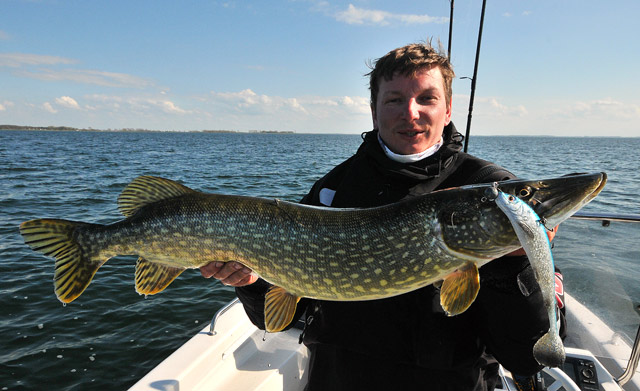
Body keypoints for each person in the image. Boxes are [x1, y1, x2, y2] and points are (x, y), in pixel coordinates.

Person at [200, 41, 561, 390]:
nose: (410, 113)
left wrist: (510, 268)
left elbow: (527, 357)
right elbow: (278, 317)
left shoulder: (490, 189)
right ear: (374, 112)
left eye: (427, 98)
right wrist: (250, 283)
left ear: (448, 109)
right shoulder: (333, 190)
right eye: (394, 100)